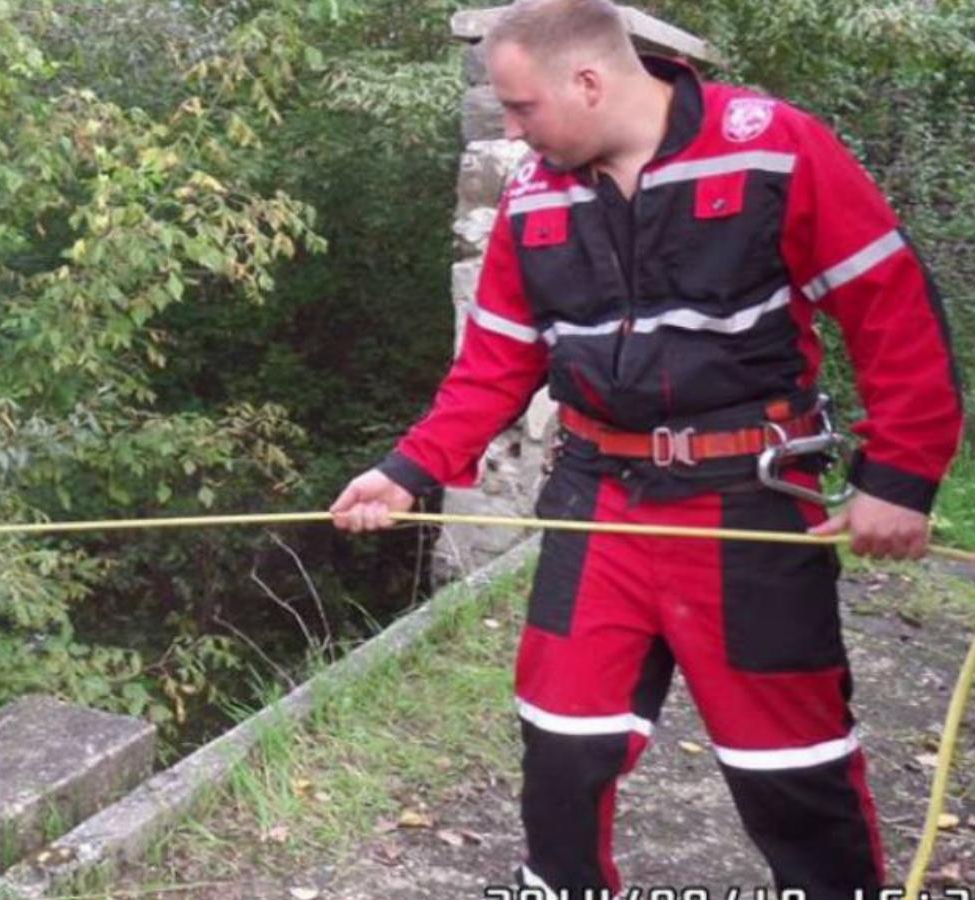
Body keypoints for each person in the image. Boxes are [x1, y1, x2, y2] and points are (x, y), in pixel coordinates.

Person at [330, 0, 962, 895]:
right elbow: (494, 365)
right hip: (595, 501)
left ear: (587, 82)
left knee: (790, 763)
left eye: (521, 109)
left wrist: (899, 478)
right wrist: (407, 472)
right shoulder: (533, 195)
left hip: (748, 501)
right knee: (560, 743)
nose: (511, 129)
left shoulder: (772, 145)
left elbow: (891, 311)